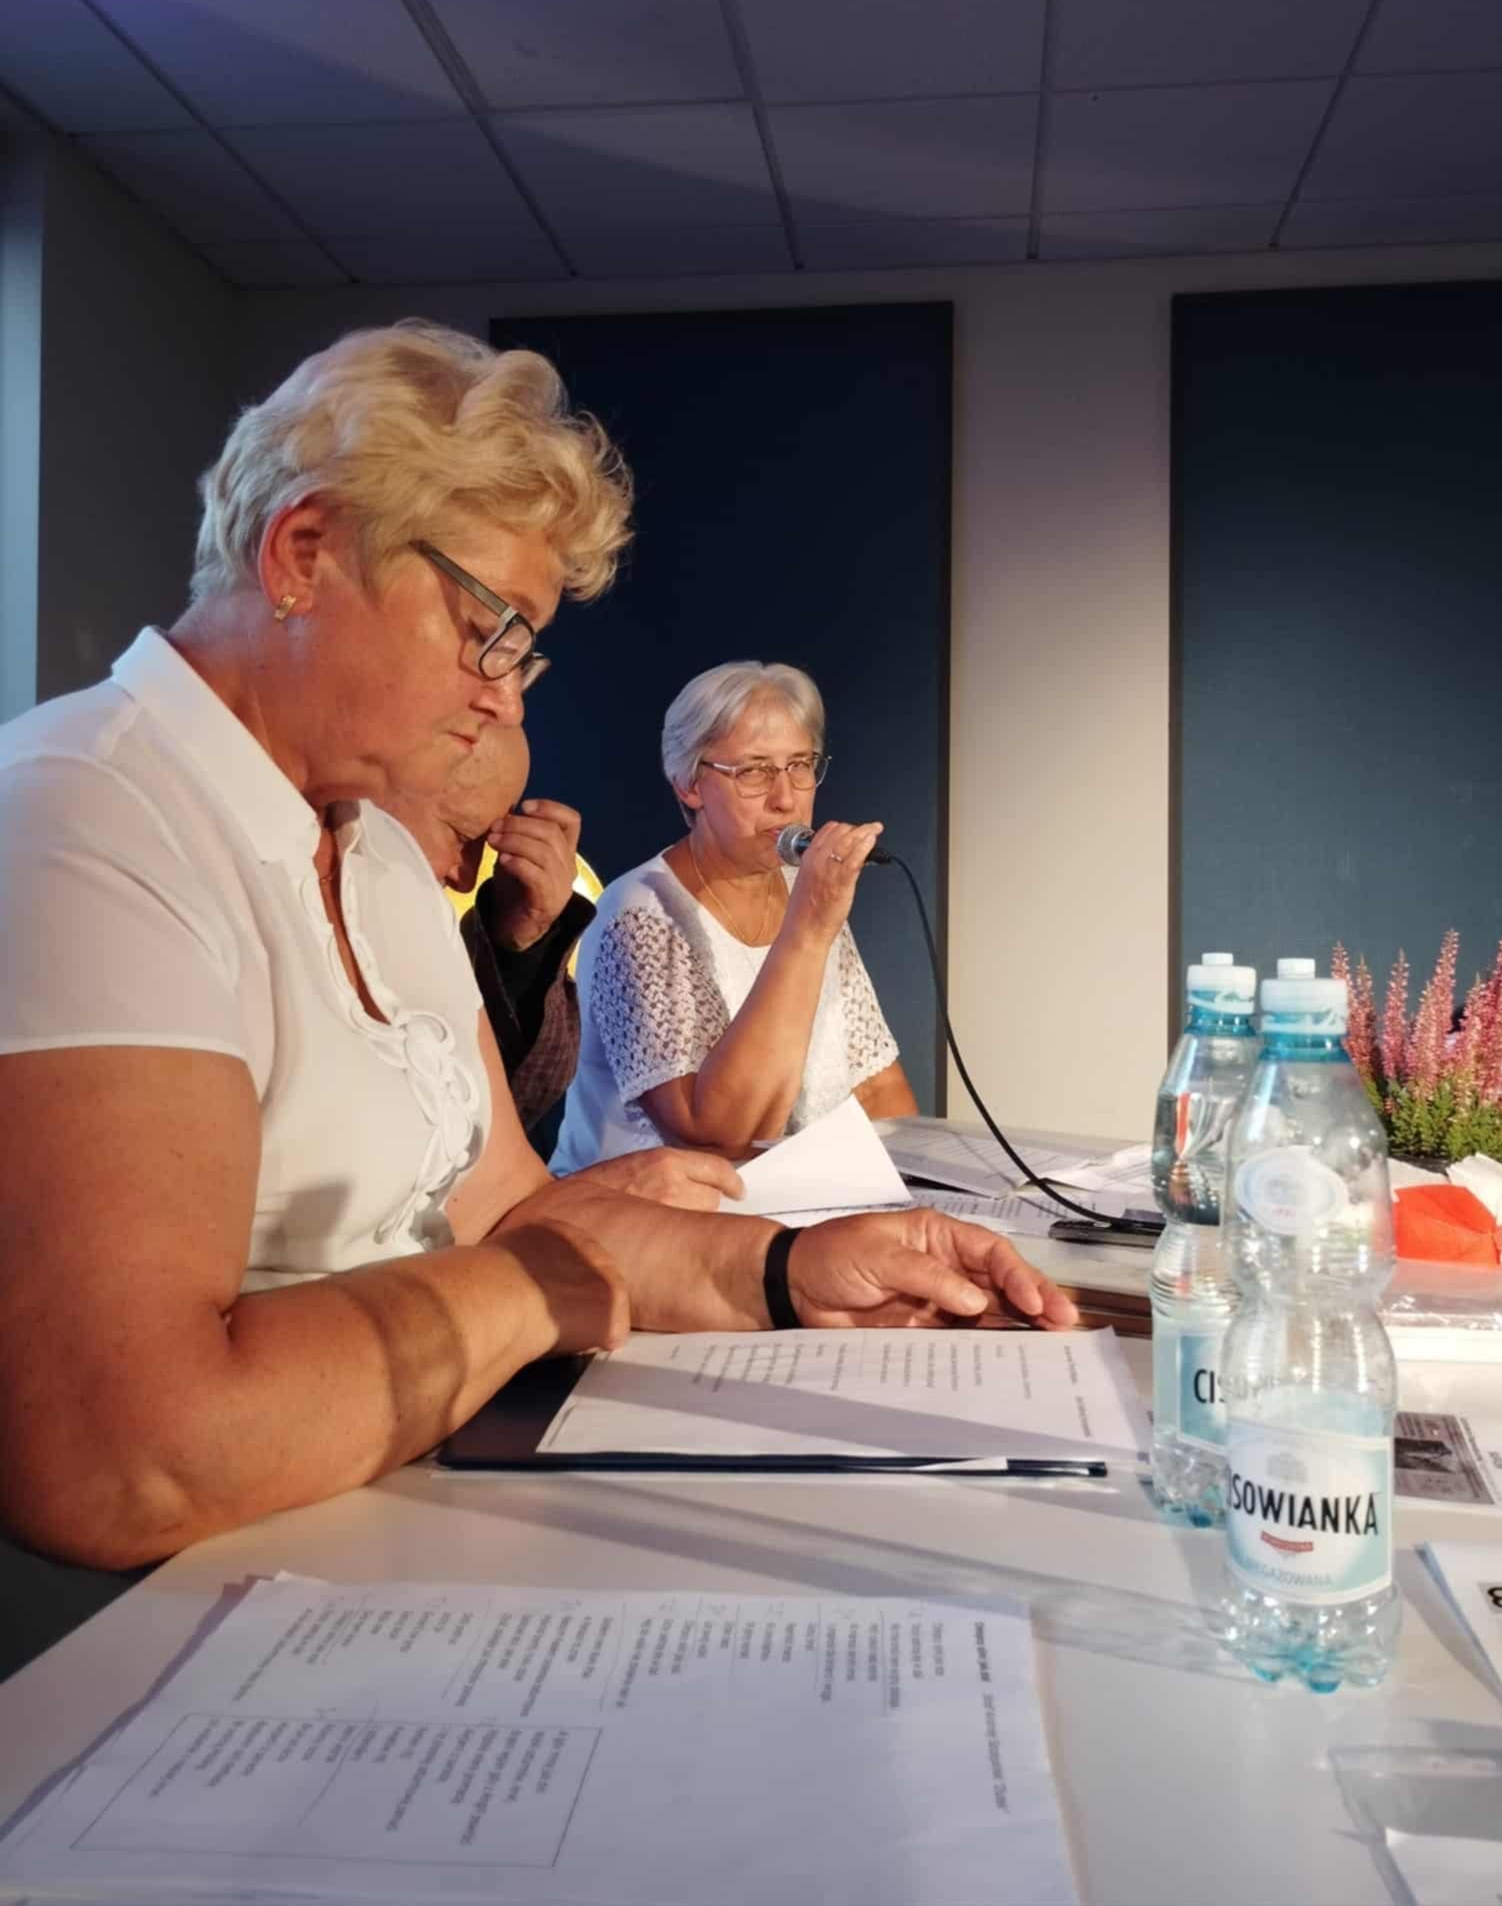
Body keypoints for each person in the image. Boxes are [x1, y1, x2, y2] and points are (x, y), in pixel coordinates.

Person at [0, 324, 1075, 1573]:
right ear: (303, 554)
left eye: (525, 650)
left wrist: (792, 1270)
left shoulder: (375, 850)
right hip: (200, 1618)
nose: (507, 696)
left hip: (405, 1519)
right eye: (488, 629)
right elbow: (124, 1456)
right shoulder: (82, 816)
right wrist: (537, 1281)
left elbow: (511, 1208)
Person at [552, 661, 918, 1171]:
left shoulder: (806, 892)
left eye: (799, 765)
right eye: (753, 771)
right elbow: (716, 1139)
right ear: (689, 784)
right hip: (653, 1210)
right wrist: (809, 928)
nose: (785, 799)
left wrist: (923, 1185)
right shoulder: (638, 914)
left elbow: (877, 1089)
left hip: (795, 1197)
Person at [383, 724, 595, 1132]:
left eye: (482, 848)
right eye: (460, 836)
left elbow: (507, 1111)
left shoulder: (430, 929)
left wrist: (521, 945)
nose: (465, 879)